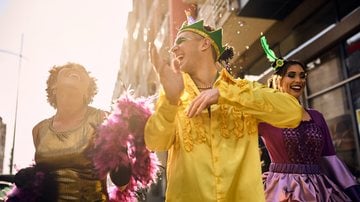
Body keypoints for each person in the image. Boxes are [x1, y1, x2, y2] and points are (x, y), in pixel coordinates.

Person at [144, 18, 303, 201]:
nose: (173, 49)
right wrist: (170, 102)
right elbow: (154, 142)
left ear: (205, 44)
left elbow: (293, 112)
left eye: (181, 41)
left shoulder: (243, 90)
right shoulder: (174, 96)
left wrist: (225, 95)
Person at [6, 62, 159, 202]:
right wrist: (30, 177)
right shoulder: (39, 130)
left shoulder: (102, 119)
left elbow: (121, 183)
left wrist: (122, 158)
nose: (75, 69)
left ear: (87, 90)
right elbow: (43, 176)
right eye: (68, 68)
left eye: (81, 71)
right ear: (54, 86)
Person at [258, 36, 360, 202]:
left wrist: (352, 189)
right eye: (291, 75)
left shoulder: (316, 116)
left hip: (320, 190)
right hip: (282, 192)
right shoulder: (265, 117)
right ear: (279, 80)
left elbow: (330, 158)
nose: (298, 80)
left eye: (302, 75)